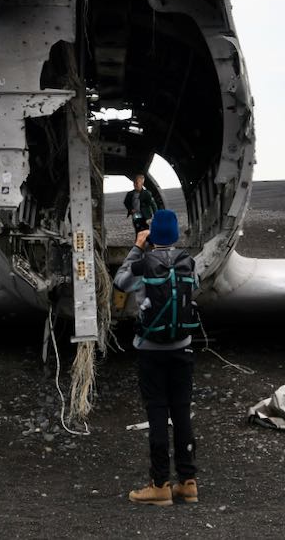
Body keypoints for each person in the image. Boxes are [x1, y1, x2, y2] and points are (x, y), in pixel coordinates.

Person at [113, 209, 199, 506]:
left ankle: (160, 484)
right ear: (175, 235)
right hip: (183, 348)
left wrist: (137, 247)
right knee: (182, 412)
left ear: (152, 235)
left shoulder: (142, 266)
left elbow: (119, 282)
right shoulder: (189, 263)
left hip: (151, 350)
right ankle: (188, 482)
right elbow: (193, 291)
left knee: (158, 413)